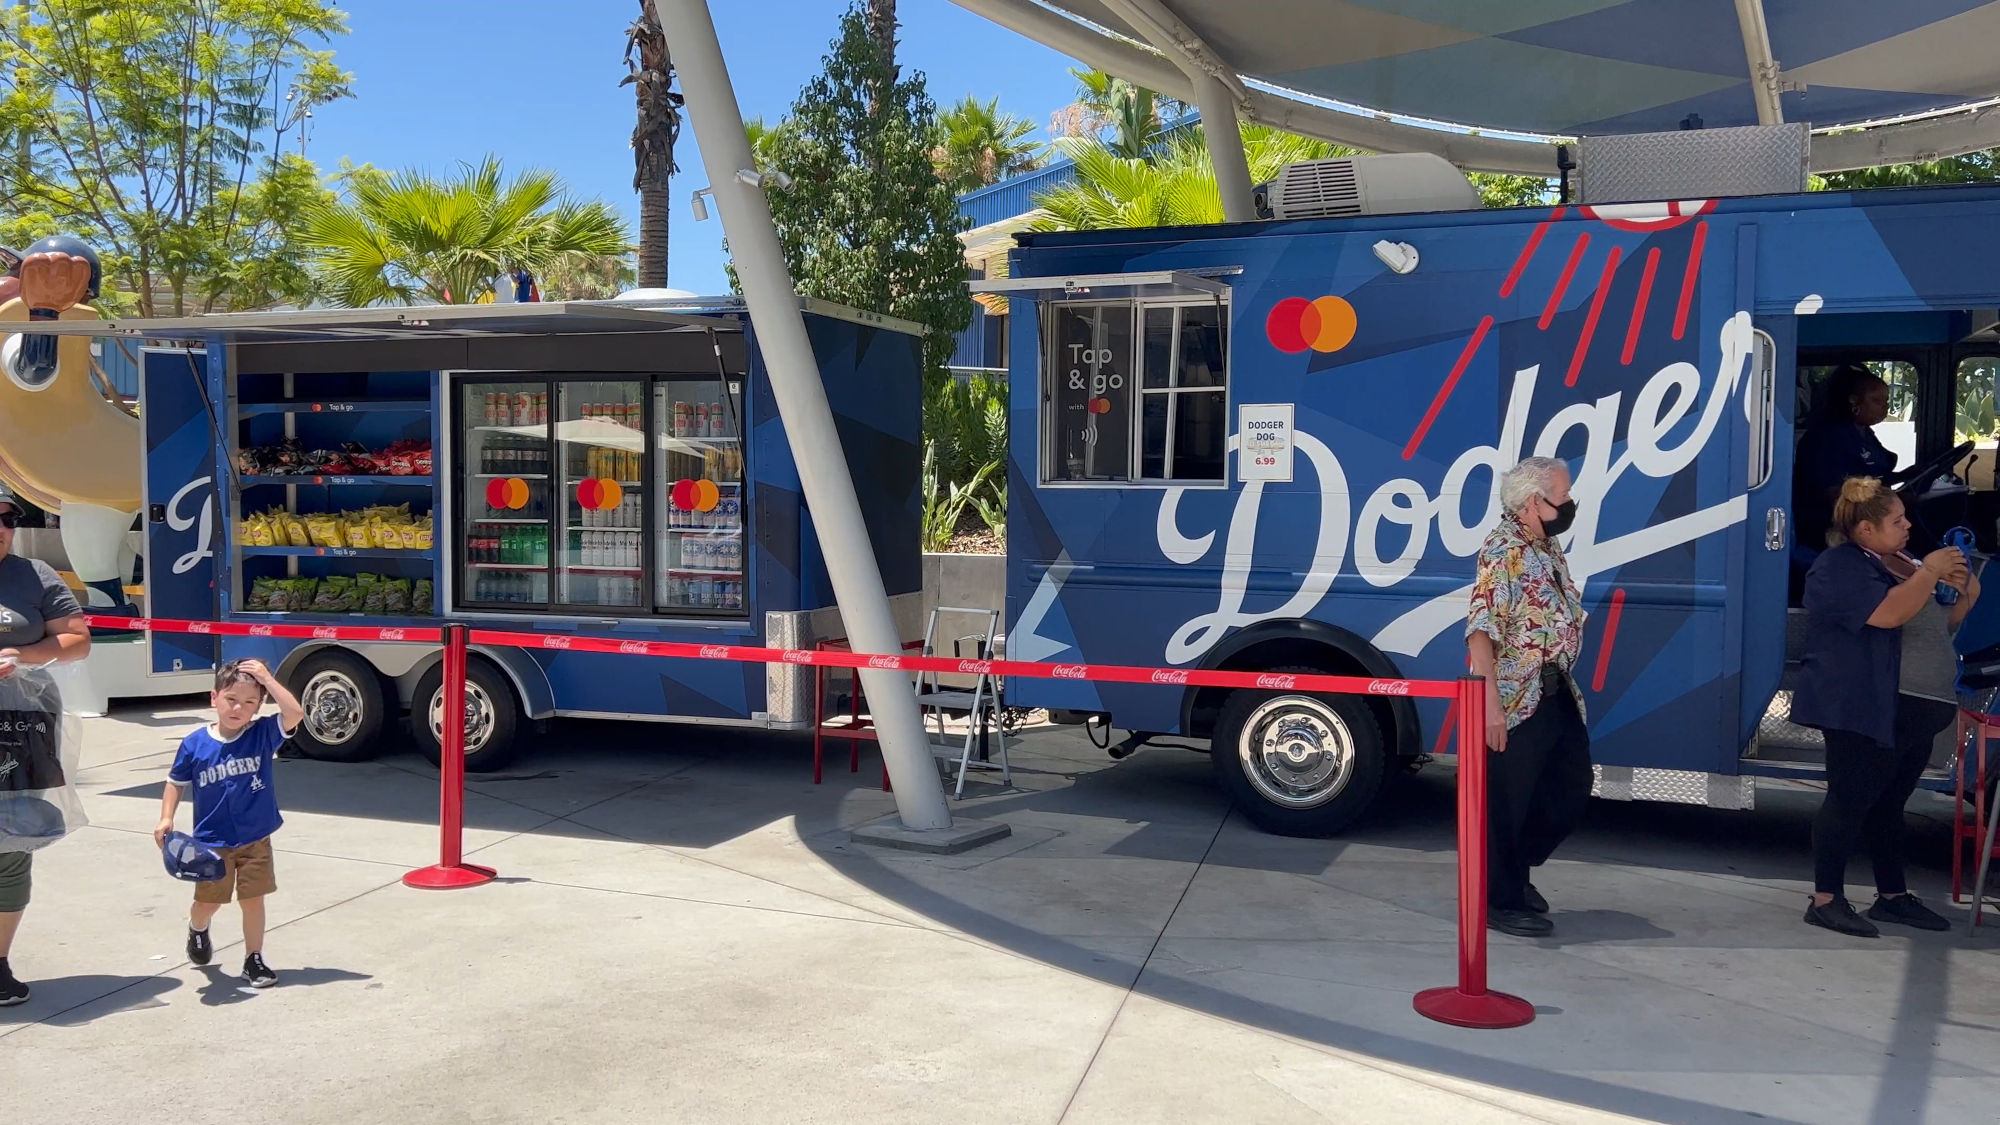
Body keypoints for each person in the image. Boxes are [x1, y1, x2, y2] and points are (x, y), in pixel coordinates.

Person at [1792, 478, 1973, 937]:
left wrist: (1964, 591)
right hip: (1865, 707)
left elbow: (1932, 627)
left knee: (1889, 805)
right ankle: (1825, 898)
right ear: (1866, 530)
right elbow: (1886, 615)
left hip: (1914, 711)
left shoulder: (1905, 563)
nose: (1908, 524)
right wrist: (1929, 574)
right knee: (1848, 800)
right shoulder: (1839, 567)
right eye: (1896, 520)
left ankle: (1892, 896)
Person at [1466, 457, 1595, 938]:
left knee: (1569, 788)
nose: (1569, 504)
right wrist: (1489, 709)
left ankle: (1516, 869)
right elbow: (1482, 631)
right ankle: (1501, 899)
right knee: (1508, 801)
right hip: (1516, 696)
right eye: (1561, 496)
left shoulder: (1546, 544)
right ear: (1531, 503)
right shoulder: (1504, 551)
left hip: (1555, 686)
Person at [154, 659, 303, 988]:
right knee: (208, 903)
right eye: (231, 699)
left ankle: (254, 959)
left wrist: (267, 678)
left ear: (258, 706)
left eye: (250, 702)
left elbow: (294, 713)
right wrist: (167, 816)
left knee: (253, 900)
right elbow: (175, 781)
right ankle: (198, 927)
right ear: (214, 698)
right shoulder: (195, 744)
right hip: (211, 844)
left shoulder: (262, 734)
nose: (239, 708)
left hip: (255, 838)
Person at [0, 480, 93, 1006]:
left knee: (12, 841)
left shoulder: (34, 574)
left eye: (7, 520)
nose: (1, 530)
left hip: (20, 725)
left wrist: (24, 656)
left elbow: (76, 641)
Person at [1794, 365, 1902, 562]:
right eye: (1876, 401)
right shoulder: (1827, 438)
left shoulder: (1862, 432)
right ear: (1854, 401)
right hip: (1833, 531)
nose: (1884, 407)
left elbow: (1880, 472)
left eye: (1886, 401)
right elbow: (1837, 496)